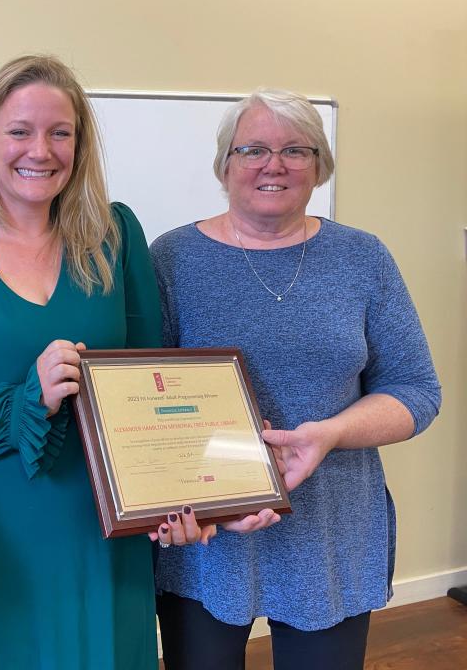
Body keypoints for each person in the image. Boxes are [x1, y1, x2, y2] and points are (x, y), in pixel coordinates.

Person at [0, 55, 218, 669]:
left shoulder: (117, 236)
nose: (42, 149)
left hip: (104, 532)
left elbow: (151, 382)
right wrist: (25, 399)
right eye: (19, 131)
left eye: (60, 132)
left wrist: (178, 498)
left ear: (79, 144)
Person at [151, 88, 442, 670]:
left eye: (295, 150)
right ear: (225, 164)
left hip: (331, 532)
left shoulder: (363, 258)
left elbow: (416, 392)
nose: (273, 164)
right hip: (210, 538)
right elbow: (144, 401)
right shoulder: (172, 258)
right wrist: (193, 503)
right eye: (252, 149)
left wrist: (329, 432)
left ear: (319, 166)